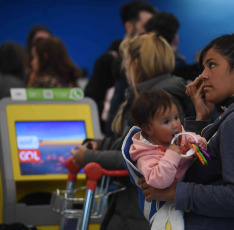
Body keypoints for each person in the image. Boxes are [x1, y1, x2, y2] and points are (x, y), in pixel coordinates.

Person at [138, 28, 234, 230]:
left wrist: (176, 192)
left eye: (212, 65)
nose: (202, 76)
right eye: (203, 68)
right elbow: (205, 169)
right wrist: (201, 119)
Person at [71, 32, 191, 230]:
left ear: (136, 64)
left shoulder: (159, 101)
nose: (124, 68)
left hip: (143, 211)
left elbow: (135, 155)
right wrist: (100, 145)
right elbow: (131, 141)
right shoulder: (156, 96)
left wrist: (90, 156)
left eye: (126, 61)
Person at [128, 88, 207, 229]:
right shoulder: (145, 155)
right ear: (149, 129)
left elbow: (188, 136)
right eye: (166, 121)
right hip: (164, 206)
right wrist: (172, 154)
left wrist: (198, 141)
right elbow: (159, 181)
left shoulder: (177, 134)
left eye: (176, 117)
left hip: (186, 195)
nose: (175, 125)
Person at [86, 0, 157, 137]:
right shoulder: (107, 61)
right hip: (111, 140)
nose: (150, 32)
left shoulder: (153, 61)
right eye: (146, 26)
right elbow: (94, 102)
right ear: (129, 26)